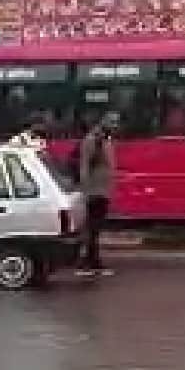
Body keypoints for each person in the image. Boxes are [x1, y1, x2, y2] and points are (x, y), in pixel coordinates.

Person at [77, 112, 118, 276]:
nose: (116, 125)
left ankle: (92, 261)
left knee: (95, 228)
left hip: (103, 190)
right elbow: (84, 166)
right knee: (92, 228)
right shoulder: (93, 140)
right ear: (103, 122)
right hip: (95, 191)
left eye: (117, 122)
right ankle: (87, 263)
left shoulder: (105, 139)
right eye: (113, 122)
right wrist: (86, 190)